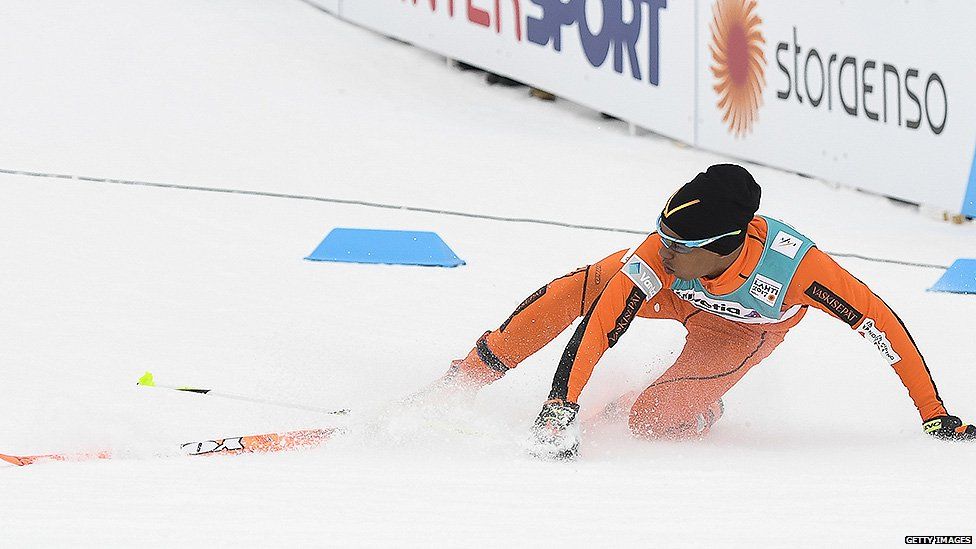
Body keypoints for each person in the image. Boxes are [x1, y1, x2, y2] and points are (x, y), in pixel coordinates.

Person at [418, 164, 974, 459]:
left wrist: (933, 413)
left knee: (649, 424)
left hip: (741, 331)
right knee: (577, 290)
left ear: (729, 243)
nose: (661, 249)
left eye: (677, 245)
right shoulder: (664, 255)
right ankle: (461, 380)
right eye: (660, 235)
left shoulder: (800, 270)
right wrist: (559, 406)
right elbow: (602, 323)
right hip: (678, 294)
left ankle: (698, 407)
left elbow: (885, 328)